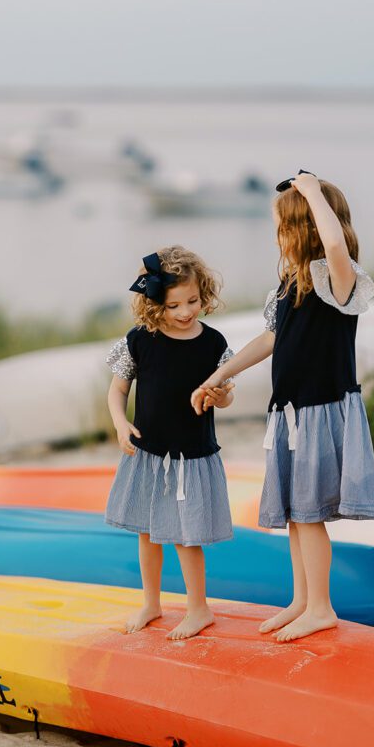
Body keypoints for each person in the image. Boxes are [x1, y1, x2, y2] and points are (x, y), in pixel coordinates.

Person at [192, 172, 374, 642]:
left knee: (311, 514)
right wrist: (220, 374)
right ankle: (301, 599)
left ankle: (321, 607)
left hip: (322, 410)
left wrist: (313, 191)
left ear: (306, 229)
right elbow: (271, 338)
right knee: (298, 513)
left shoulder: (339, 279)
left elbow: (335, 247)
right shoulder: (290, 285)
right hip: (291, 412)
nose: (277, 237)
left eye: (283, 228)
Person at [105, 246, 235, 640]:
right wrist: (120, 424)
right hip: (147, 452)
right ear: (154, 302)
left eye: (192, 301)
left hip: (190, 455)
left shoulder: (213, 344)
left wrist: (220, 396)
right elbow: (117, 392)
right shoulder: (139, 340)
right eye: (173, 304)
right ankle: (151, 602)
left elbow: (228, 395)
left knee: (184, 536)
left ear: (204, 294)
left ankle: (199, 609)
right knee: (147, 533)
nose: (184, 312)